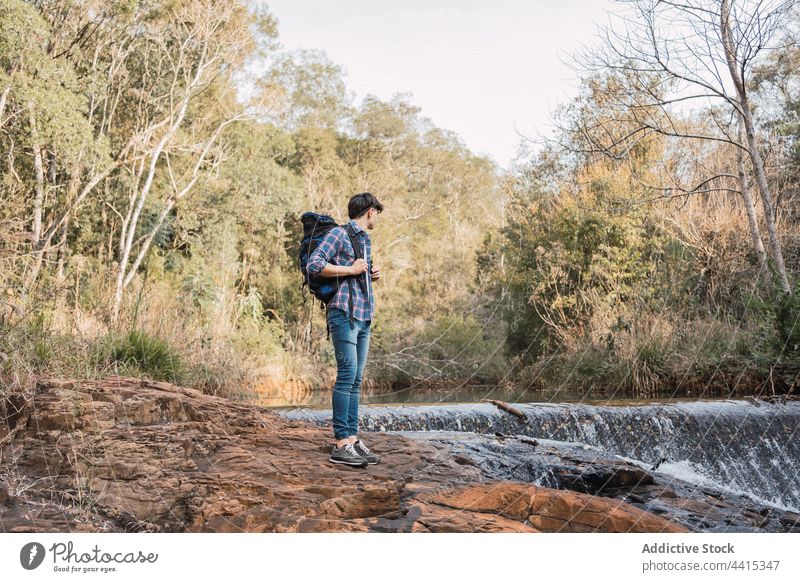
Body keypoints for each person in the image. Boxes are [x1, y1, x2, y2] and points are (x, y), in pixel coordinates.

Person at [306, 192, 384, 466]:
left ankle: (351, 438)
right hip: (343, 313)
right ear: (370, 212)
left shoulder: (366, 240)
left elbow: (358, 272)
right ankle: (340, 443)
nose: (377, 218)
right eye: (377, 213)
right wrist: (350, 270)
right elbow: (313, 265)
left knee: (356, 378)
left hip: (363, 314)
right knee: (347, 374)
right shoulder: (339, 234)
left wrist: (369, 274)